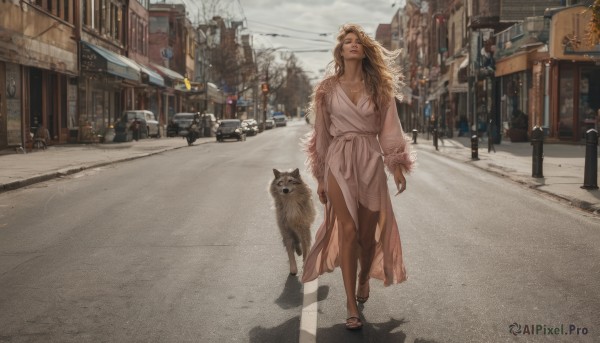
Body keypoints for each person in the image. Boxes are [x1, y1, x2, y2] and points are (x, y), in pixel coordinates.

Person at [301, 24, 416, 330]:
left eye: (358, 42)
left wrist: (396, 166)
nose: (353, 45)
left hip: (369, 159)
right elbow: (321, 135)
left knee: (366, 236)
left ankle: (364, 277)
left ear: (364, 51)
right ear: (340, 51)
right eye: (347, 41)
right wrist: (321, 178)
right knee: (348, 229)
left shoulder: (380, 88)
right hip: (338, 159)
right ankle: (351, 305)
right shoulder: (326, 89)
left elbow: (390, 129)